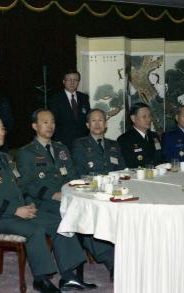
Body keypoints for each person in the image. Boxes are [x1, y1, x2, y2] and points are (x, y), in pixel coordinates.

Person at [0, 113, 93, 292]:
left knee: (59, 223)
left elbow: (20, 187)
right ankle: (41, 280)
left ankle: (68, 276)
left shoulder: (6, 157)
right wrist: (16, 210)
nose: (2, 132)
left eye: (3, 129)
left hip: (18, 210)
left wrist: (28, 203)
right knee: (36, 230)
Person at [17, 109, 114, 283]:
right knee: (70, 217)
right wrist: (53, 195)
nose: (50, 126)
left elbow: (72, 175)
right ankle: (69, 275)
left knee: (90, 212)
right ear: (34, 126)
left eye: (52, 121)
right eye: (45, 122)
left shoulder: (61, 148)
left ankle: (112, 262)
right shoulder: (26, 152)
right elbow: (27, 185)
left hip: (66, 198)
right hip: (43, 203)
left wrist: (78, 192)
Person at [72, 108, 125, 176]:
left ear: (105, 124)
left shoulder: (114, 144)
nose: (97, 124)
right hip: (91, 184)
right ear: (88, 125)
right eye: (93, 120)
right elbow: (79, 171)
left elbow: (121, 169)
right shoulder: (80, 144)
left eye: (100, 120)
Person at [49, 69, 90, 149]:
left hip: (82, 143)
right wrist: (57, 141)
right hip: (62, 143)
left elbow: (88, 119)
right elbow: (52, 121)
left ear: (78, 82)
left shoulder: (84, 97)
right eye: (69, 80)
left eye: (75, 80)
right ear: (64, 81)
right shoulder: (56, 99)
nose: (72, 82)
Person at [117, 103, 164, 168]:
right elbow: (127, 164)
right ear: (133, 118)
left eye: (149, 116)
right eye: (144, 116)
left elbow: (161, 157)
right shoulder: (125, 139)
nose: (149, 119)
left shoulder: (154, 136)